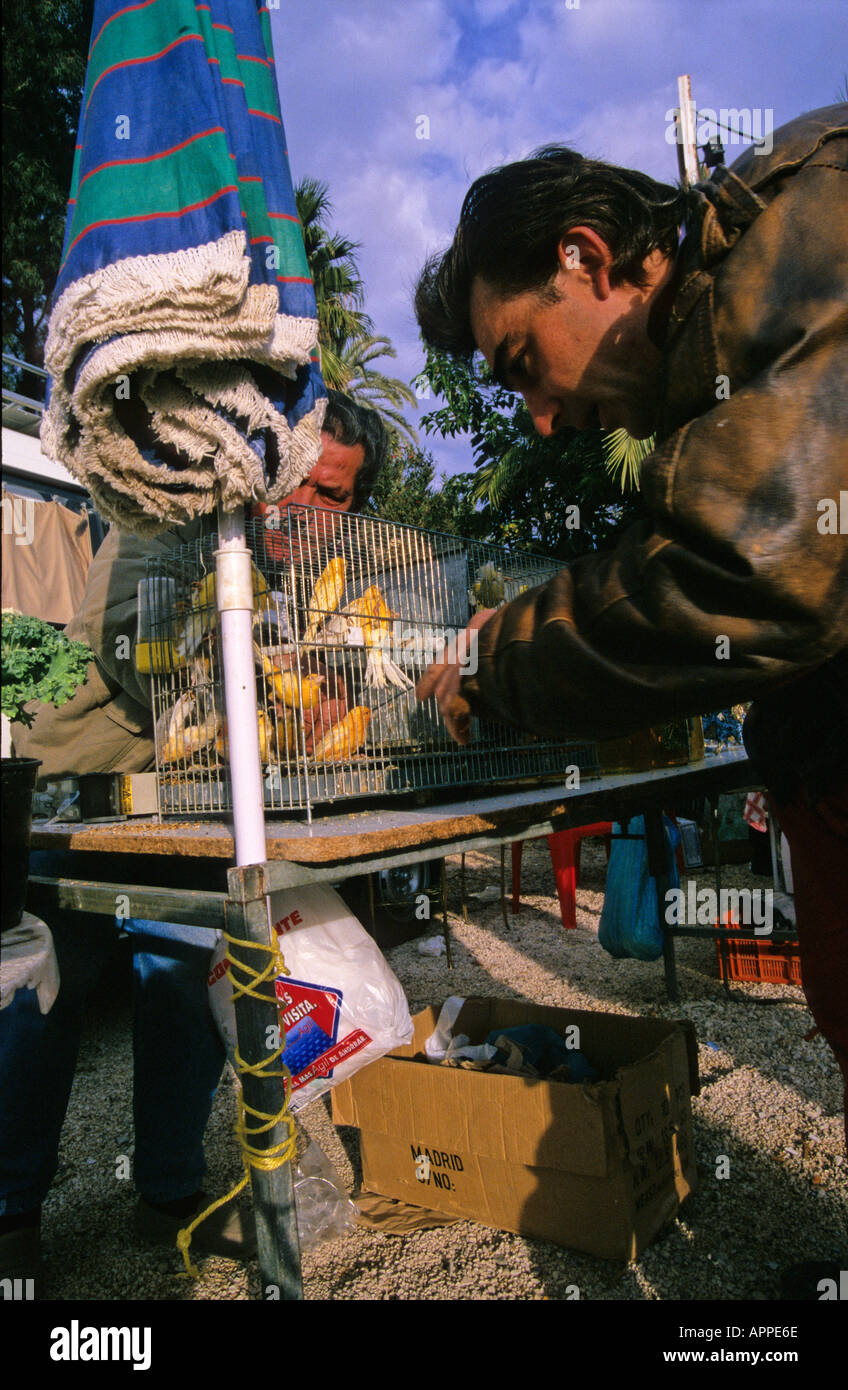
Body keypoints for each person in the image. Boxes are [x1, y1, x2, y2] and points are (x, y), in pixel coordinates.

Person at [414, 107, 848, 1219]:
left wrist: (497, 662)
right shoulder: (725, 325)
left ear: (583, 256)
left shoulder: (804, 217)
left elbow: (751, 569)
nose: (545, 421)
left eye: (522, 363)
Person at [0, 392, 388, 1287]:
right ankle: (12, 1211)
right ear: (269, 468)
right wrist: (273, 693)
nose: (317, 516)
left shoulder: (292, 573)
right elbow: (143, 662)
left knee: (182, 990)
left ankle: (167, 1189)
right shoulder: (171, 518)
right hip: (84, 798)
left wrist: (316, 702)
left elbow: (266, 707)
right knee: (46, 998)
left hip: (184, 813)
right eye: (307, 488)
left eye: (339, 500)